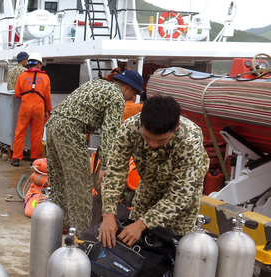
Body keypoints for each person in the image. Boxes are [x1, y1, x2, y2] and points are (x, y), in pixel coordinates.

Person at [98, 96, 209, 247]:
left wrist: (143, 223)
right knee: (134, 236)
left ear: (176, 127)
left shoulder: (189, 139)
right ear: (141, 124)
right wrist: (108, 213)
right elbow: (115, 170)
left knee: (176, 242)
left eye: (161, 140)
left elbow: (181, 193)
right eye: (146, 138)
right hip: (148, 185)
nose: (153, 145)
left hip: (181, 194)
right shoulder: (130, 128)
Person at [45, 70, 144, 235]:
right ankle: (81, 233)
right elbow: (109, 133)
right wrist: (105, 166)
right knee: (81, 185)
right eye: (133, 93)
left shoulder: (97, 83)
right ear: (128, 87)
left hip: (53, 124)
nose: (132, 98)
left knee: (58, 180)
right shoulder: (117, 98)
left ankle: (60, 223)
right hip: (70, 130)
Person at [11, 52, 52, 166]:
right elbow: (47, 96)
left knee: (20, 132)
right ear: (39, 65)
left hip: (25, 106)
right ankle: (34, 158)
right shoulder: (45, 78)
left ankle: (16, 158)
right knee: (37, 134)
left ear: (29, 64)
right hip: (39, 107)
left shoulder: (22, 76)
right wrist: (48, 110)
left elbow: (17, 93)